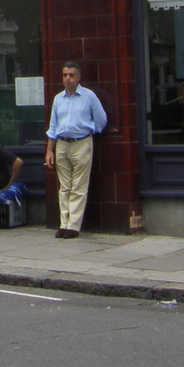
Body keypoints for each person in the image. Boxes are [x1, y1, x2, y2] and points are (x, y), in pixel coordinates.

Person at [44, 61, 108, 239]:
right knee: (64, 187)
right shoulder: (58, 99)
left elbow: (101, 119)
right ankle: (63, 223)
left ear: (78, 77)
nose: (67, 79)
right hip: (62, 143)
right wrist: (50, 151)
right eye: (65, 75)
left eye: (71, 75)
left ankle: (73, 225)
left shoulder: (89, 96)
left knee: (79, 186)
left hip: (81, 142)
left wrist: (90, 130)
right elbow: (53, 126)